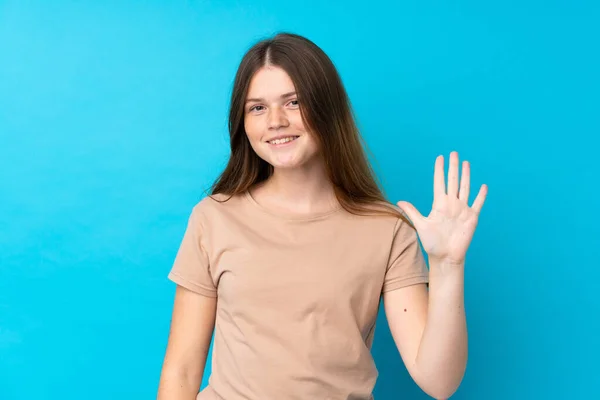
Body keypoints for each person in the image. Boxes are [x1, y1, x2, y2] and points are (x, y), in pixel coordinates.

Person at [157, 32, 488, 400]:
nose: (276, 121)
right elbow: (182, 368)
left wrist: (446, 266)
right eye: (257, 107)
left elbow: (439, 382)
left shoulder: (387, 230)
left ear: (327, 107)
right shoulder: (213, 218)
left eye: (294, 102)